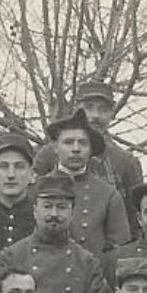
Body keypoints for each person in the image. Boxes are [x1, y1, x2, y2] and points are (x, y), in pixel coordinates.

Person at [41, 108, 132, 253]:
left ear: (91, 150)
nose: (76, 149)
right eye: (68, 142)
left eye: (83, 143)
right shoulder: (37, 188)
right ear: (55, 148)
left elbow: (120, 246)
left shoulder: (107, 194)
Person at [72, 79, 144, 204]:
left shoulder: (125, 162)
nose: (95, 115)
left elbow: (135, 214)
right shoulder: (51, 154)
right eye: (89, 107)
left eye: (103, 109)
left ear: (111, 114)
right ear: (76, 110)